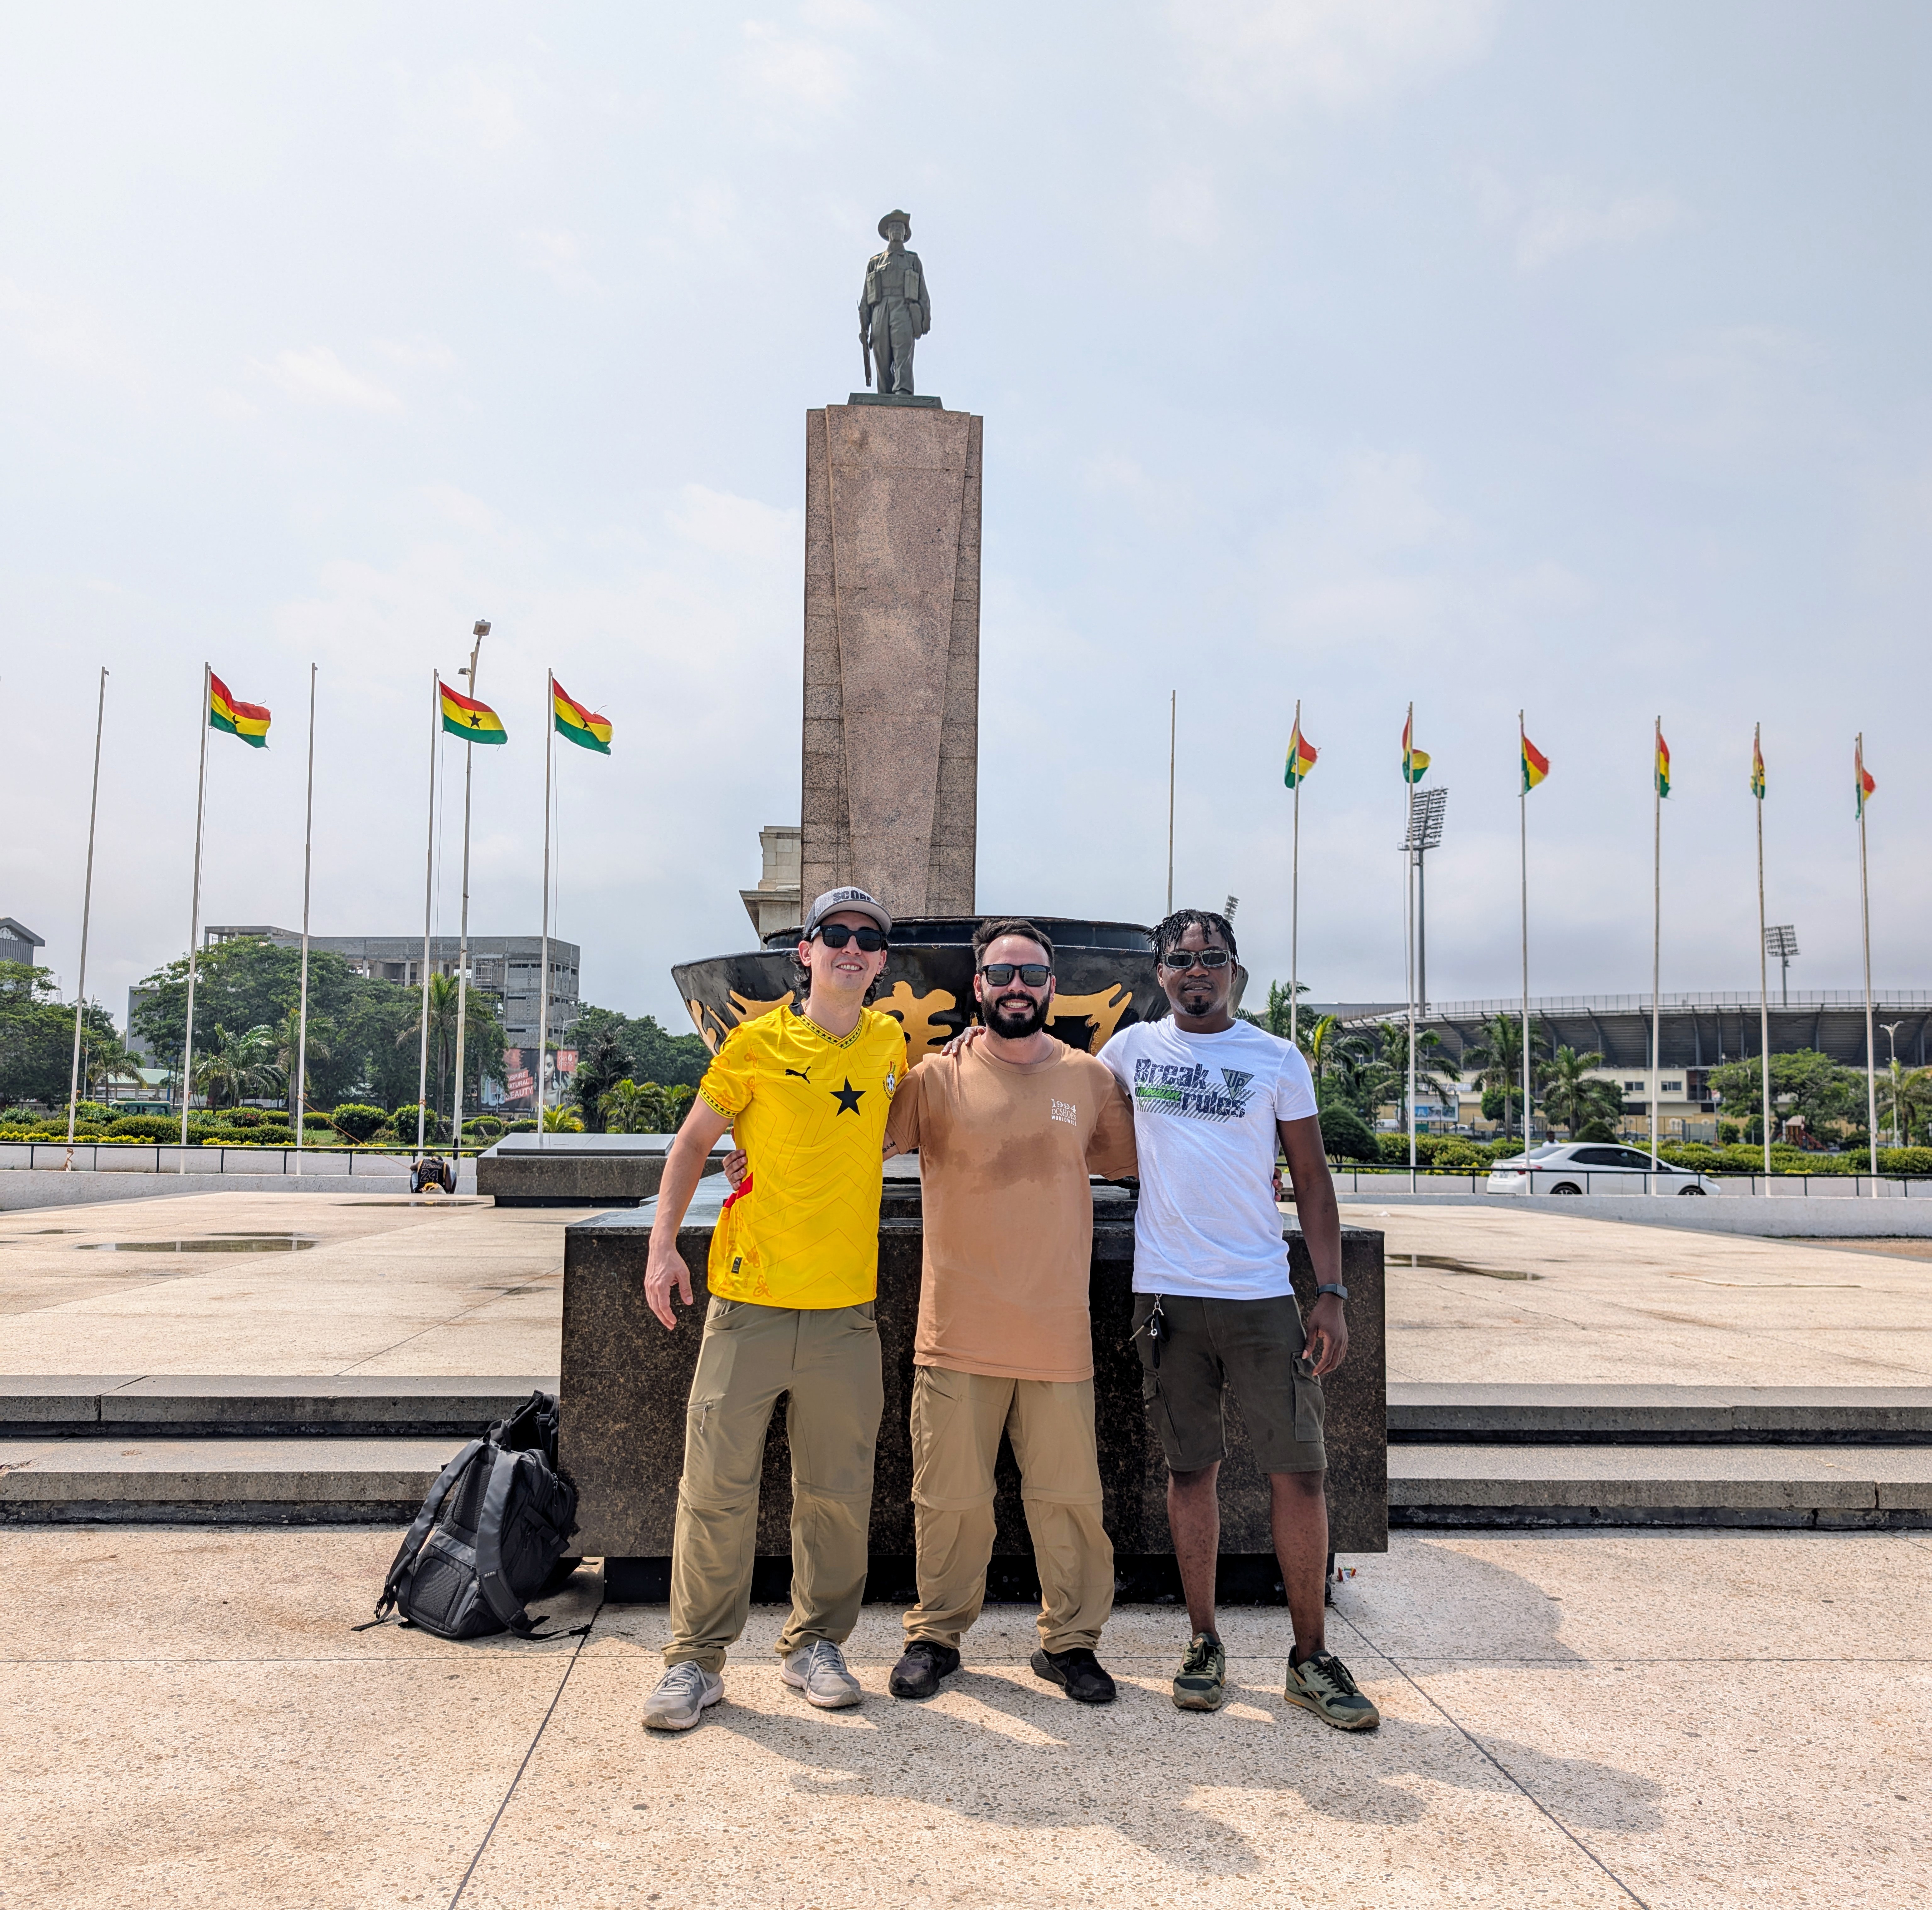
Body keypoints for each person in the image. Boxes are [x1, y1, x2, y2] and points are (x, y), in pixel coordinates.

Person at [1100, 908, 1380, 1731]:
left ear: (1234, 970)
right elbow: (1051, 1099)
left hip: (1260, 1293)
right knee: (1191, 1472)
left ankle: (1311, 1656)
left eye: (1211, 958)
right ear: (1160, 973)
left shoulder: (1275, 1057)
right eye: (1181, 959)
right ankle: (1202, 1640)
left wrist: (1331, 1290)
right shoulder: (1131, 1051)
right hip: (1167, 1294)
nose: (1197, 971)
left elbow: (1314, 1180)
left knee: (1302, 1471)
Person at [638, 887, 906, 1733]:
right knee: (716, 1488)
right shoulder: (754, 1043)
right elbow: (691, 1142)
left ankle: (814, 1646)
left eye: (867, 938)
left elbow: (902, 1126)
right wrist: (661, 1246)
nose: (851, 949)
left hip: (843, 1310)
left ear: (882, 961)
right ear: (807, 951)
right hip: (748, 1301)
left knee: (835, 1492)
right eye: (836, 935)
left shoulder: (891, 1042)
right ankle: (695, 1660)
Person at [879, 919, 1138, 1707]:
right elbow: (848, 1144)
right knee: (948, 1499)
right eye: (1001, 974)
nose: (1016, 987)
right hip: (956, 1328)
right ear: (978, 987)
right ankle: (935, 1635)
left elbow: (1141, 1164)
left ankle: (1069, 1643)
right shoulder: (933, 1079)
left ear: (1051, 987)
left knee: (1069, 1502)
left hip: (1055, 1331)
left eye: (1030, 974)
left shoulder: (1090, 1079)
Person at [858, 209, 930, 398]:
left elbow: (923, 292)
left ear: (906, 233)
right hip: (880, 310)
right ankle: (885, 394)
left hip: (904, 308)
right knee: (881, 354)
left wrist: (925, 318)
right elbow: (866, 296)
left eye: (901, 227)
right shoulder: (875, 263)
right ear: (888, 232)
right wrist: (865, 325)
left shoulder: (913, 260)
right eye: (894, 227)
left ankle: (903, 391)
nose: (897, 230)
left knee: (902, 351)